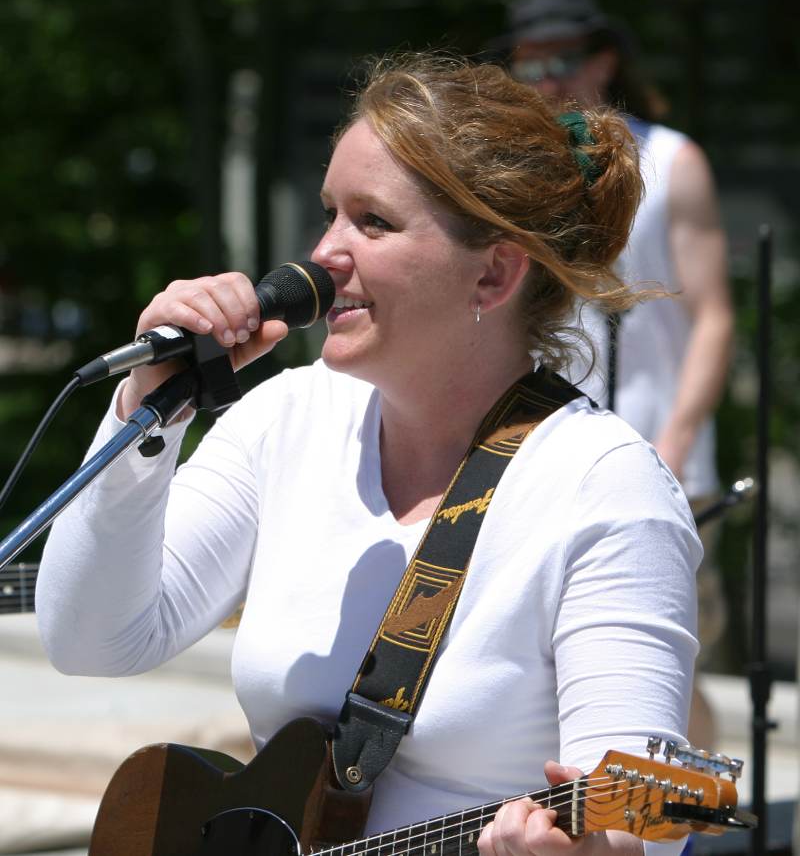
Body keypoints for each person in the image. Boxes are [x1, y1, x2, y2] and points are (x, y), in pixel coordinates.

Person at [36, 53, 701, 856]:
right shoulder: (290, 418)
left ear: (493, 275)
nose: (322, 255)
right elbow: (90, 638)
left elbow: (647, 821)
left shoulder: (605, 488)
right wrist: (148, 415)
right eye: (330, 214)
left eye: (371, 222)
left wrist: (589, 851)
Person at [499, 0, 734, 750]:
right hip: (539, 454)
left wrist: (675, 440)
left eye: (562, 61)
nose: (546, 81)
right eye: (527, 65)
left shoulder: (672, 161)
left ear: (603, 62)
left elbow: (714, 317)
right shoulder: (513, 176)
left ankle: (693, 817)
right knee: (542, 660)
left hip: (657, 456)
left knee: (667, 660)